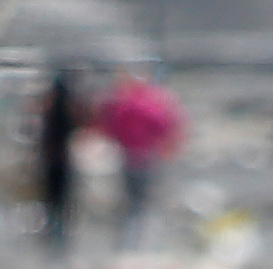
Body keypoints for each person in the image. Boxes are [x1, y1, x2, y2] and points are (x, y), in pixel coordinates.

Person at [95, 71, 182, 253]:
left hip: (127, 155)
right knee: (146, 200)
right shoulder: (151, 103)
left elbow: (110, 125)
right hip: (147, 155)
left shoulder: (122, 102)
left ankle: (127, 242)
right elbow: (163, 125)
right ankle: (144, 243)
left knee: (130, 199)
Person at [35, 67, 86, 257]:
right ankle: (59, 235)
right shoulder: (68, 109)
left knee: (51, 199)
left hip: (51, 159)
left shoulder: (49, 109)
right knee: (63, 200)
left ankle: (53, 233)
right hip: (63, 160)